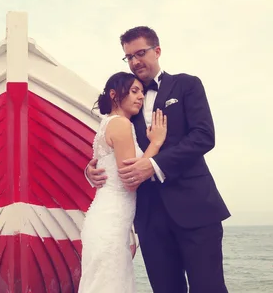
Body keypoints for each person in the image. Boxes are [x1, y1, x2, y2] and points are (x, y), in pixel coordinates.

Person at [85, 26, 231, 293]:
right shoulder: (130, 99)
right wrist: (91, 169)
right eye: (128, 56)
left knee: (208, 287)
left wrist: (154, 164)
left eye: (140, 53)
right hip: (149, 215)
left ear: (157, 51)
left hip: (195, 207)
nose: (135, 61)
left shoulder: (187, 84)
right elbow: (114, 142)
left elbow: (203, 137)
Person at [79, 71, 168, 293]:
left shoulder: (107, 123)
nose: (140, 97)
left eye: (142, 92)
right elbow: (130, 180)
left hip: (106, 220)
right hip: (110, 223)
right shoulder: (120, 124)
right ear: (114, 94)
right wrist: (155, 144)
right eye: (134, 91)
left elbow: (104, 165)